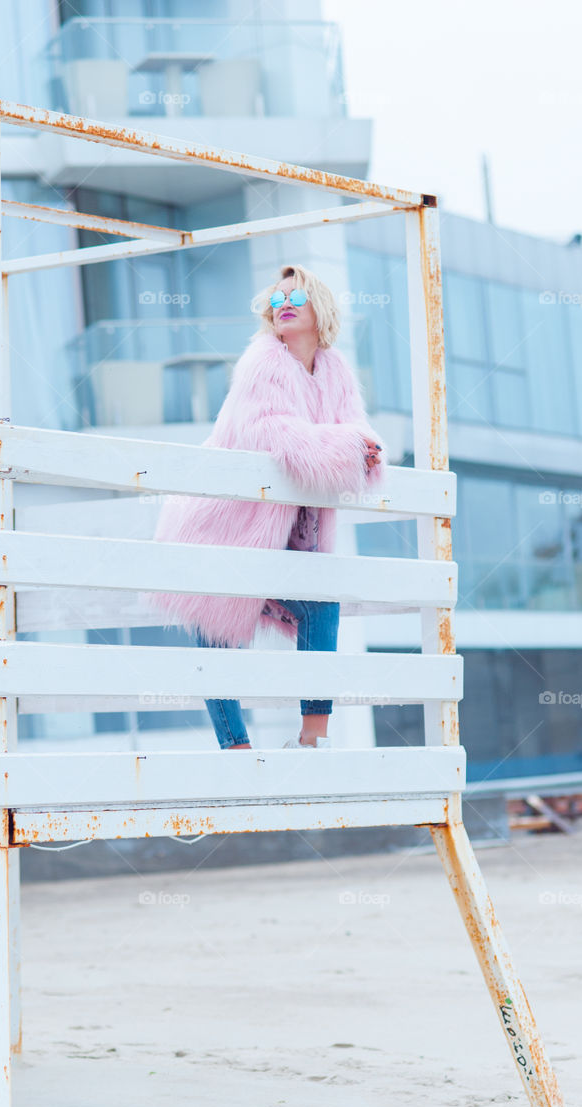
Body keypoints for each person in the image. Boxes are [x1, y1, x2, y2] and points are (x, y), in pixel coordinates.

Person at [141, 263, 386, 750]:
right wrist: (348, 447)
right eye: (276, 299)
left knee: (319, 603)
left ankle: (311, 741)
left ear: (322, 309)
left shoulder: (335, 371)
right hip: (218, 519)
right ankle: (236, 748)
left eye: (296, 297)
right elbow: (276, 435)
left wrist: (359, 448)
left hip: (285, 534)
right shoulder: (262, 363)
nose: (284, 305)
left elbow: (361, 437)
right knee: (215, 625)